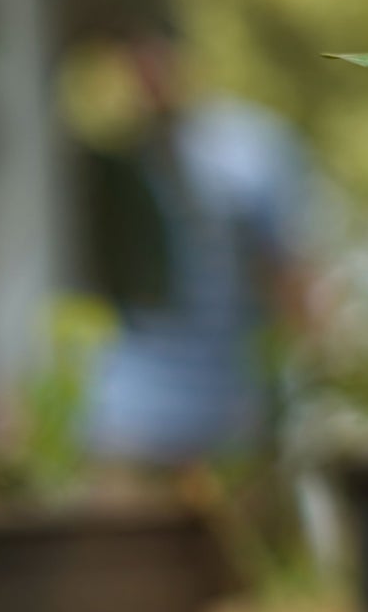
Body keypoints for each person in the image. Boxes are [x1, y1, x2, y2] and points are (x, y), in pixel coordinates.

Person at [79, 34, 310, 468]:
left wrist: (298, 374)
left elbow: (289, 269)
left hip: (232, 399)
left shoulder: (252, 148)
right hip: (131, 399)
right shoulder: (116, 158)